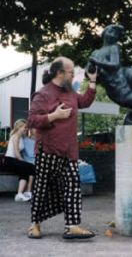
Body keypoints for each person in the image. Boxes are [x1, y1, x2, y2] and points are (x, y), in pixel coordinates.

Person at [27, 56, 97, 240]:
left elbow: (86, 101)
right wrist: (53, 115)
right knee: (41, 187)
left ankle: (72, 226)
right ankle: (34, 224)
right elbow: (32, 120)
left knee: (73, 186)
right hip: (47, 149)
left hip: (69, 151)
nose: (73, 75)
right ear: (59, 73)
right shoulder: (43, 94)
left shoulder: (71, 93)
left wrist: (93, 80)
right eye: (71, 72)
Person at [4, 119, 35, 202]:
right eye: (24, 127)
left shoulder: (21, 137)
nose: (26, 129)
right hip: (9, 161)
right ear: (19, 127)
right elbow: (17, 154)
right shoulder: (16, 136)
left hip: (14, 160)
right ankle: (21, 194)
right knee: (28, 167)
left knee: (29, 168)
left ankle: (24, 193)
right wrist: (24, 162)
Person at [21, 128, 37, 200]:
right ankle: (28, 191)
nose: (36, 130)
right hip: (27, 162)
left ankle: (28, 191)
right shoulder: (25, 140)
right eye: (34, 128)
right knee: (31, 168)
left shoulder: (40, 141)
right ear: (30, 130)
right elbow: (30, 154)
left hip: (36, 162)